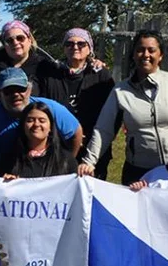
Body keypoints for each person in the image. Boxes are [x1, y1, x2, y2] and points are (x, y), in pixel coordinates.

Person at [82, 30, 168, 185]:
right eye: (140, 50)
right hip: (138, 172)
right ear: (133, 55)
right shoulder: (120, 92)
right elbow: (103, 130)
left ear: (160, 55)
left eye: (151, 50)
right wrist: (89, 162)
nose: (146, 54)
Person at [37, 28, 114, 178]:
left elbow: (111, 113)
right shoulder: (50, 73)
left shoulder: (101, 75)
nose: (75, 47)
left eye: (81, 44)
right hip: (58, 147)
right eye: (69, 44)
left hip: (92, 147)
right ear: (64, 48)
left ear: (89, 48)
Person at [0, 68, 82, 175]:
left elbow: (76, 132)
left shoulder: (51, 108)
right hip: (7, 171)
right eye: (9, 91)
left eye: (20, 89)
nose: (16, 94)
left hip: (50, 168)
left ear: (29, 90)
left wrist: (65, 163)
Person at [0, 102, 80, 179]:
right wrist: (6, 183)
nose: (36, 124)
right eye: (30, 120)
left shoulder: (66, 160)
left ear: (50, 127)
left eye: (42, 121)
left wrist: (85, 173)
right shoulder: (9, 160)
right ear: (23, 126)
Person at [0, 19, 49, 106]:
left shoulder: (45, 67)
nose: (15, 42)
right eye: (9, 40)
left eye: (20, 38)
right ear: (4, 44)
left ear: (29, 40)